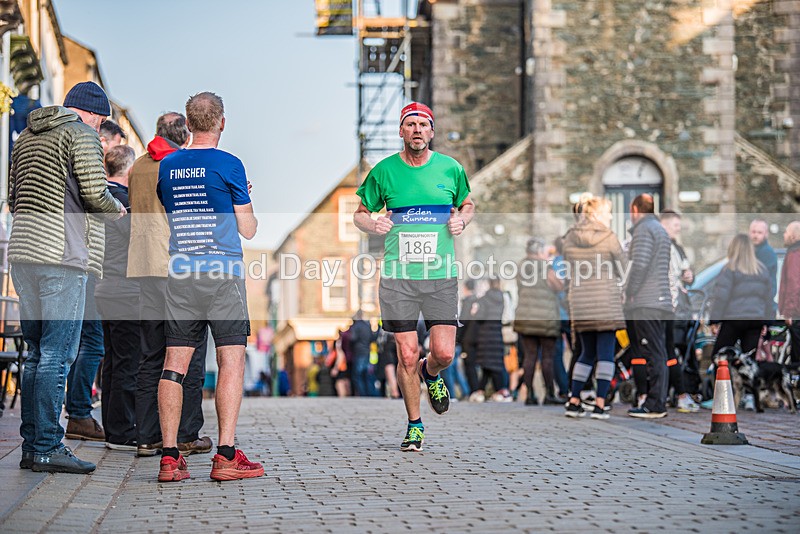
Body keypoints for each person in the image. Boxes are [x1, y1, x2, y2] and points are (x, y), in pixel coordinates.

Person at [9, 81, 125, 473]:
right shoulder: (83, 135)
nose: (101, 130)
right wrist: (117, 211)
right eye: (102, 121)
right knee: (59, 353)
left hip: (23, 253)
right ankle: (47, 447)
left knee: (37, 353)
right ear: (94, 114)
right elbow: (95, 193)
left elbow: (11, 197)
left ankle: (32, 445)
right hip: (62, 252)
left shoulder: (25, 135)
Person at [354, 101, 474, 452]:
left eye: (423, 124)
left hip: (440, 275)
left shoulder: (451, 169)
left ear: (432, 132)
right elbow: (360, 213)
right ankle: (415, 425)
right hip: (398, 277)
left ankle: (431, 372)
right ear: (401, 131)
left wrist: (461, 219)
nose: (417, 130)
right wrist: (373, 222)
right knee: (405, 354)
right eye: (411, 124)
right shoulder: (384, 171)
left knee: (445, 352)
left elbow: (468, 204)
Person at [155, 92, 262, 482]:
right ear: (221, 122)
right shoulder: (229, 165)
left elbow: (172, 213)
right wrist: (243, 194)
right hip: (222, 272)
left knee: (174, 363)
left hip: (182, 270)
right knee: (231, 359)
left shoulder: (167, 166)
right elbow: (248, 228)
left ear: (188, 122)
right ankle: (226, 456)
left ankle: (169, 458)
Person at [127, 112, 211, 458]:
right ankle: (187, 434)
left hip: (145, 266)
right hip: (181, 266)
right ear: (185, 134)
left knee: (150, 353)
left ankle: (147, 436)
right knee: (188, 353)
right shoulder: (183, 166)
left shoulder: (138, 168)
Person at [65, 120, 127, 443]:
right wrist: (119, 209)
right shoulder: (90, 164)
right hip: (85, 261)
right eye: (115, 142)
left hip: (81, 260)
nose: (114, 149)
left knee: (77, 341)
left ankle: (76, 410)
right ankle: (77, 411)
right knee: (91, 342)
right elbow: (95, 203)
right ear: (104, 140)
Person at [562, 198, 626, 419]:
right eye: (608, 213)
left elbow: (567, 265)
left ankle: (574, 399)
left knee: (586, 352)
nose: (610, 217)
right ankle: (600, 404)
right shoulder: (609, 238)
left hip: (580, 302)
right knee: (606, 354)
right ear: (598, 214)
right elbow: (623, 267)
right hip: (605, 302)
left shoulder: (570, 237)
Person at [94, 145, 141, 450]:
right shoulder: (123, 204)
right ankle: (123, 430)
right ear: (128, 170)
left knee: (112, 361)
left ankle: (113, 428)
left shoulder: (100, 200)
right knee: (127, 362)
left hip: (102, 289)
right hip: (124, 291)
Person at [625, 194, 672, 418]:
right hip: (660, 299)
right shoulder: (660, 228)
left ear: (635, 209)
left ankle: (654, 403)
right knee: (659, 351)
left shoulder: (644, 229)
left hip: (647, 300)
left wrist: (630, 291)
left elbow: (640, 264)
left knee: (653, 353)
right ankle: (657, 401)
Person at [709, 234, 773, 369]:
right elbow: (768, 299)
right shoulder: (761, 270)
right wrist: (766, 323)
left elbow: (720, 297)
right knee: (748, 362)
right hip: (756, 320)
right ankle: (747, 389)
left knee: (719, 357)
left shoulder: (729, 269)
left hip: (734, 319)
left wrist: (714, 320)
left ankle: (723, 388)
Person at [514, 238, 564, 406]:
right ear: (540, 251)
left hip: (525, 317)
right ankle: (549, 394)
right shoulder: (545, 267)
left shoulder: (521, 267)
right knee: (547, 358)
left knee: (529, 357)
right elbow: (558, 286)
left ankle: (530, 394)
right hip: (546, 318)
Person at [659, 209, 699, 413]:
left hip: (681, 310)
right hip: (670, 309)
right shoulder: (661, 246)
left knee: (676, 353)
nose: (678, 229)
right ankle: (678, 394)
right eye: (675, 225)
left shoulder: (678, 248)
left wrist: (689, 277)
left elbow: (686, 275)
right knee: (668, 352)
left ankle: (679, 394)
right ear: (664, 224)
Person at [473, 278, 512, 402]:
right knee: (494, 364)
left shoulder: (484, 299)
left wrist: (474, 312)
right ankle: (497, 390)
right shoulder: (503, 298)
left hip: (485, 335)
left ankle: (494, 391)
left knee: (487, 365)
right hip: (497, 334)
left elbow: (479, 317)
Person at [778, 221, 800, 364]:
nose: (784, 235)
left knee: (797, 357)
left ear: (793, 235)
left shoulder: (794, 253)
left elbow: (794, 283)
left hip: (797, 312)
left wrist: (790, 312)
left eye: (786, 232)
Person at [750, 219, 778, 319]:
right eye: (753, 232)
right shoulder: (750, 251)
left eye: (759, 232)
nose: (755, 235)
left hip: (763, 309)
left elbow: (766, 284)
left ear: (766, 234)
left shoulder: (767, 253)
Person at [349, 310, 378, 396]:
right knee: (367, 375)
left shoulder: (356, 326)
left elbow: (352, 339)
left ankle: (362, 394)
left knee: (358, 375)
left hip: (359, 353)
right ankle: (369, 393)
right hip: (367, 352)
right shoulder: (367, 325)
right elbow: (373, 338)